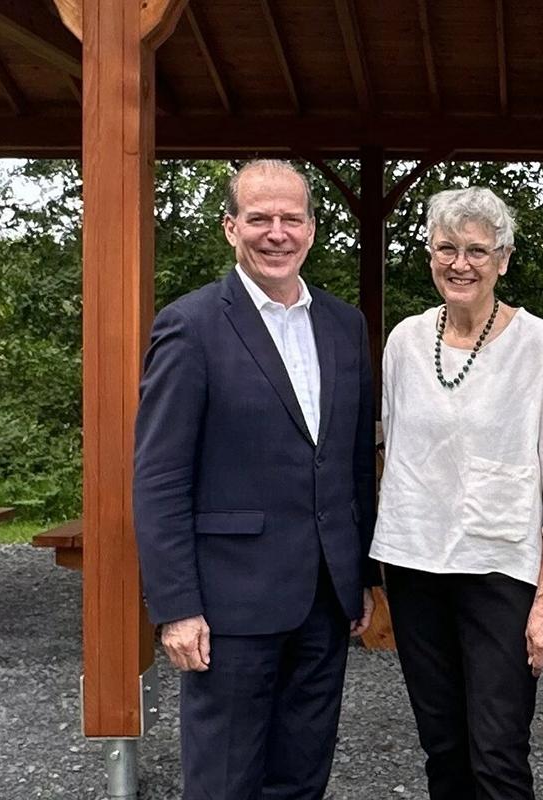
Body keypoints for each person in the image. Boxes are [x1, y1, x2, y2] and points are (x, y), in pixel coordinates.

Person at [133, 159, 378, 798]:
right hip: (228, 605)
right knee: (224, 780)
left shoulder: (344, 325)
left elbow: (352, 464)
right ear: (230, 228)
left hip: (325, 599)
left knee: (301, 777)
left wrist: (361, 579)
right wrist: (176, 606)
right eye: (259, 218)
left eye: (291, 218)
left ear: (312, 229)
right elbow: (159, 477)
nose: (276, 232)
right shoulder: (191, 325)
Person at [370, 186, 543, 800]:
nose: (460, 263)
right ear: (430, 255)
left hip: (503, 570)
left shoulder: (542, 346)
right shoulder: (406, 342)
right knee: (441, 746)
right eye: (446, 248)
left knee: (496, 750)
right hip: (415, 565)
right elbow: (390, 452)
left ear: (503, 258)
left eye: (476, 249)